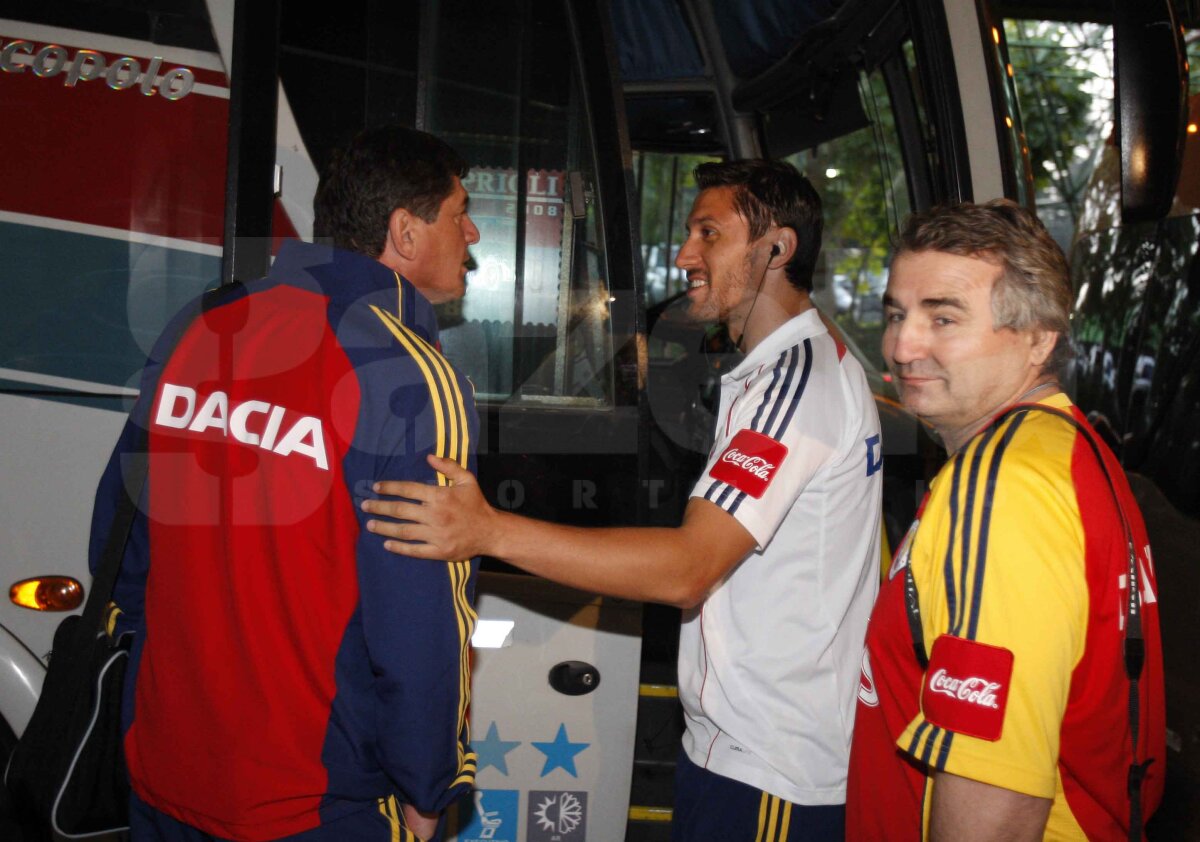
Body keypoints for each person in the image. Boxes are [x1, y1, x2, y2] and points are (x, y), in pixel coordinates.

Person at [364, 159, 884, 840]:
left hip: (771, 764)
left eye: (709, 233)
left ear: (776, 249)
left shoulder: (794, 381)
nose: (685, 254)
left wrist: (486, 531)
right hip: (743, 749)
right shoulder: (773, 369)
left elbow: (688, 567)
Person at [89, 126, 482, 841]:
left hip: (164, 772)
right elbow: (420, 617)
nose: (473, 231)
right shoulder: (412, 378)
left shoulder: (203, 323)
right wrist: (430, 784)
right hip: (315, 802)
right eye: (459, 213)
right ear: (404, 231)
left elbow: (120, 546)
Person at [845, 200, 1165, 840]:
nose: (903, 344)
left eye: (943, 317)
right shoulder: (1066, 448)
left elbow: (996, 801)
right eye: (897, 315)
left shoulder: (1002, 488)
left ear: (1038, 337)